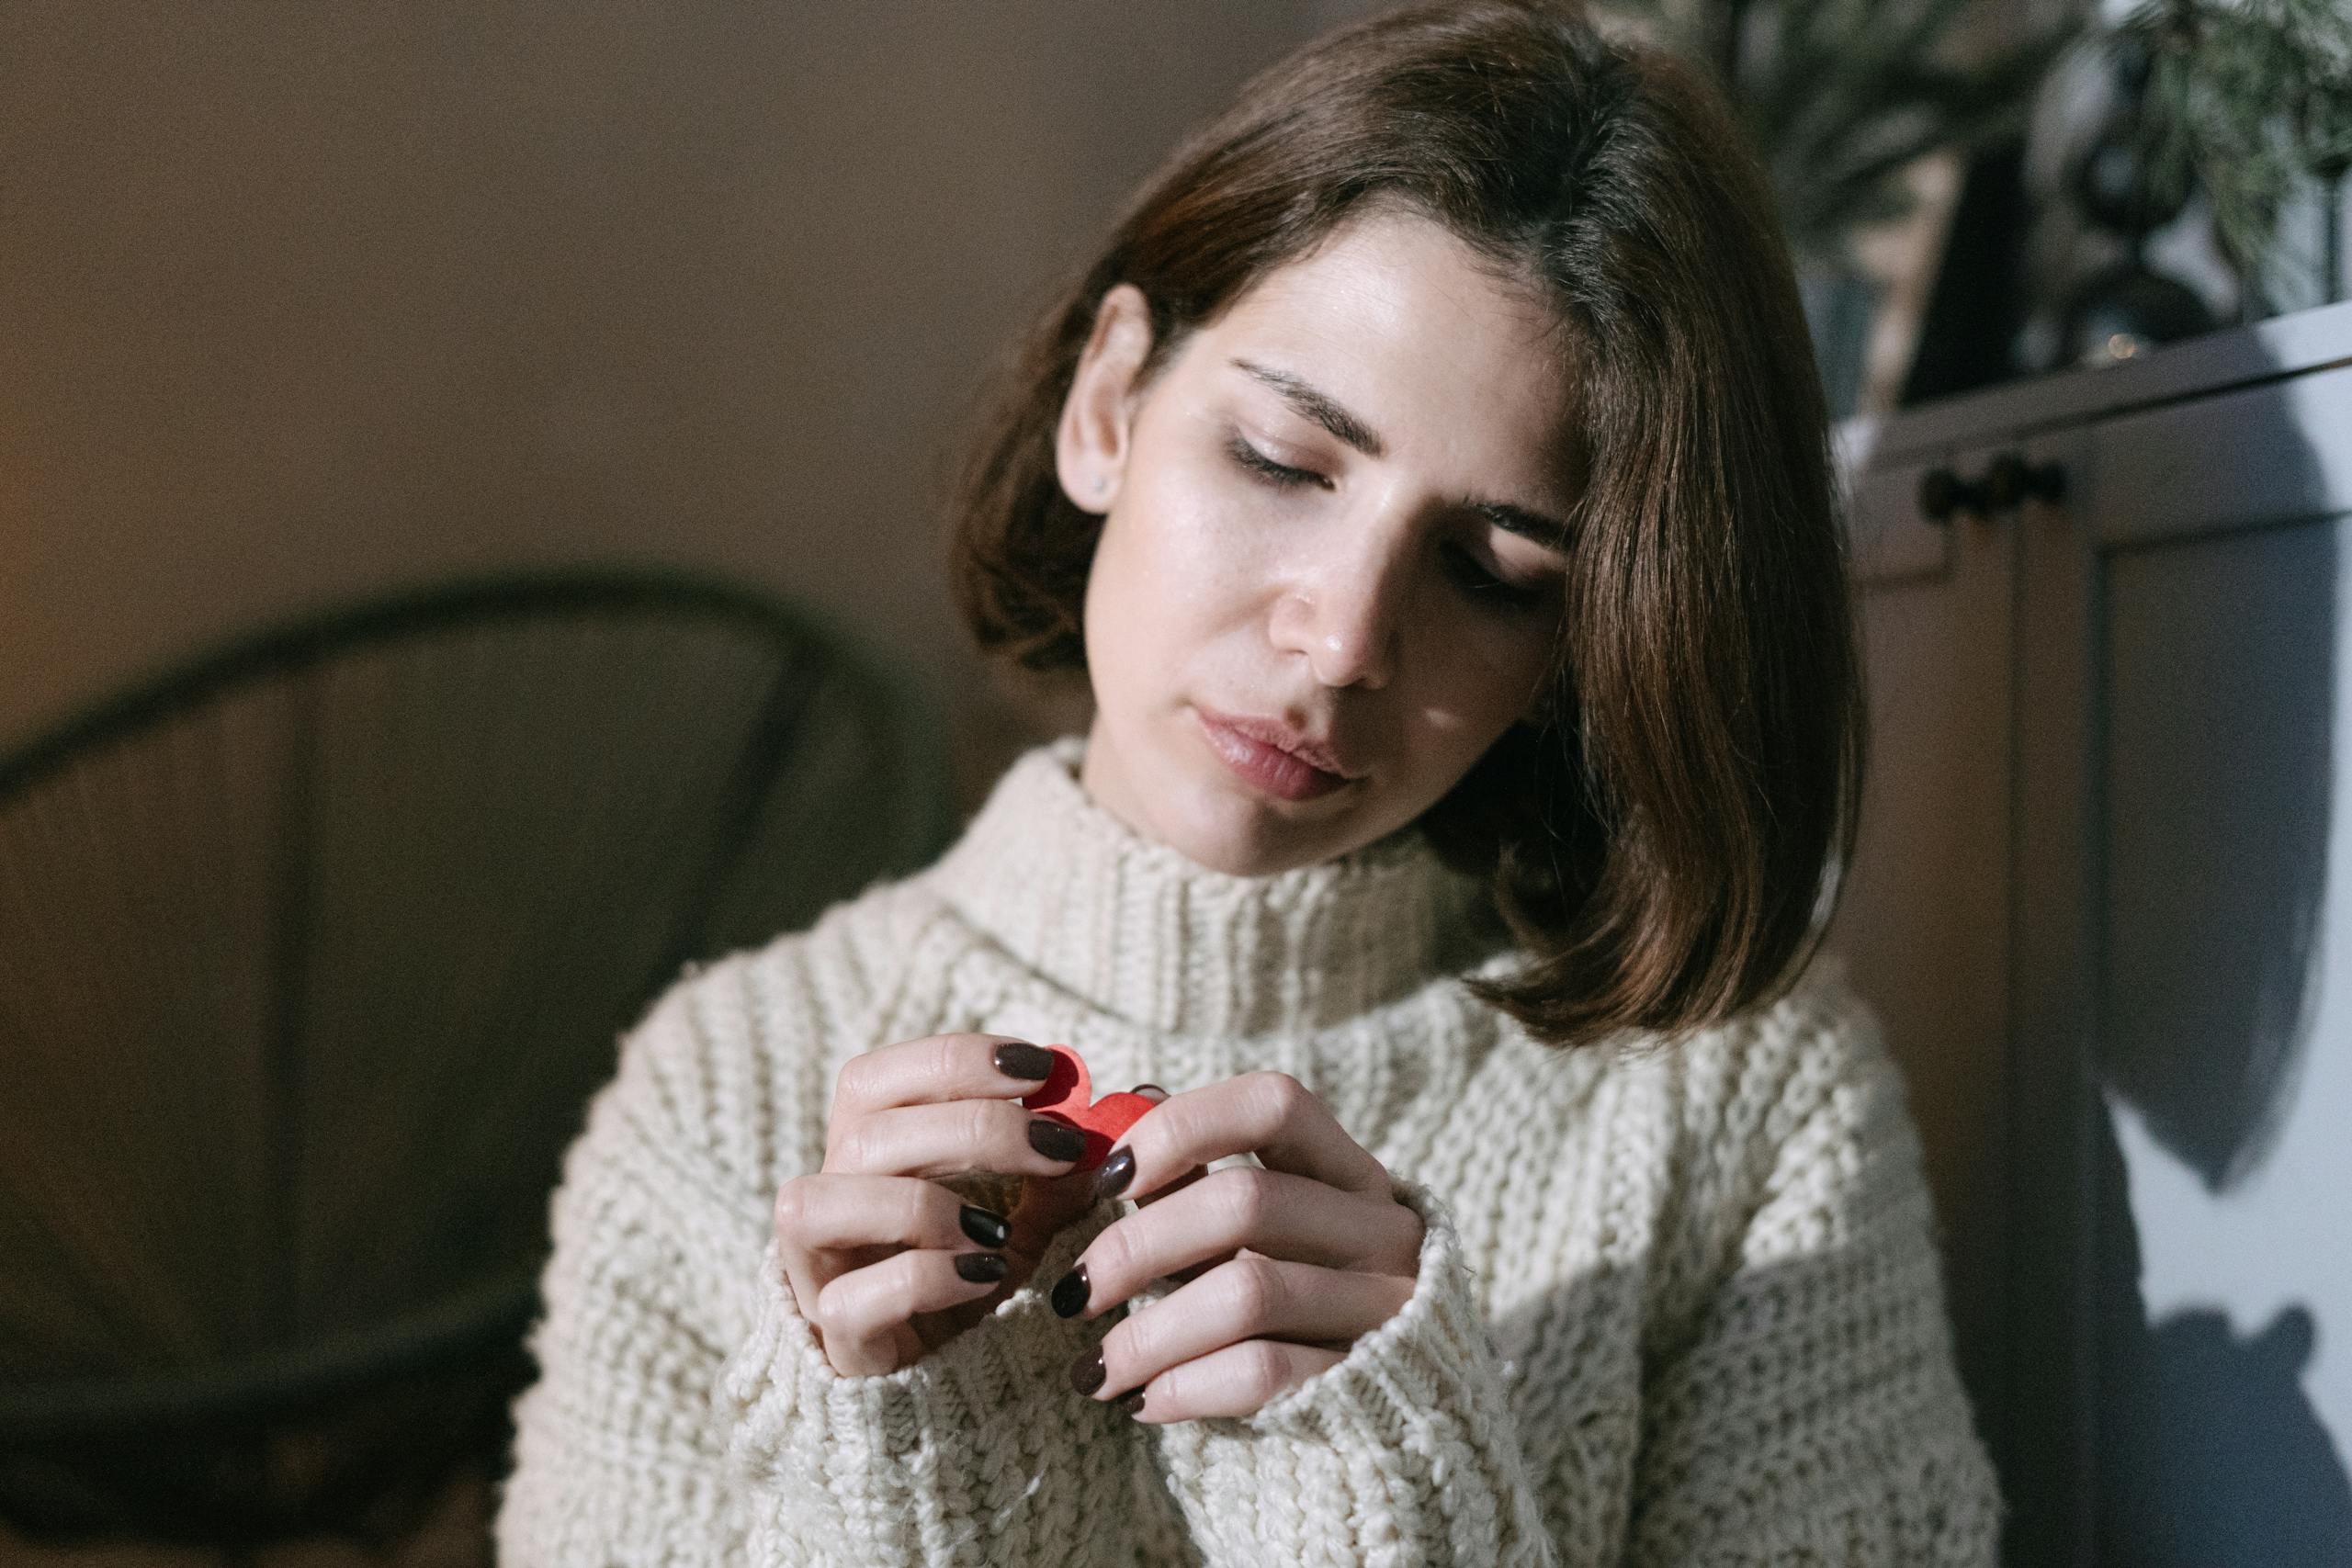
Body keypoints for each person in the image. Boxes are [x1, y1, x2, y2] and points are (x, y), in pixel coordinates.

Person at [492, 1, 2003, 1562]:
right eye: (1284, 461)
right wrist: (889, 1482)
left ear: (1585, 643)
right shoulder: (718, 1092)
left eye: (1493, 573)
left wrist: (1399, 1491)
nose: (1343, 640)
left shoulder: (1736, 1094)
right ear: (1107, 405)